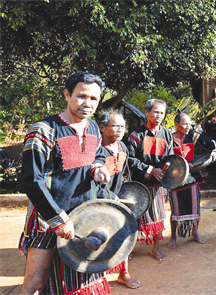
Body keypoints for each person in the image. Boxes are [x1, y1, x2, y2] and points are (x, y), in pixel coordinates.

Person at [19, 72, 112, 294]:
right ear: (67, 95)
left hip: (84, 215)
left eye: (94, 99)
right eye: (81, 96)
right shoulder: (43, 130)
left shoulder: (92, 128)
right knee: (36, 281)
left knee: (82, 281)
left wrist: (98, 167)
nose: (87, 104)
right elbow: (31, 180)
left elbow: (97, 154)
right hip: (47, 217)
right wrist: (57, 218)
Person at [97, 109, 140, 289]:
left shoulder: (122, 146)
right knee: (99, 238)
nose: (120, 130)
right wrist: (108, 196)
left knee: (122, 234)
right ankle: (98, 277)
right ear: (102, 127)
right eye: (115, 126)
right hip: (98, 202)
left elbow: (122, 173)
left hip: (118, 200)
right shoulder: (96, 149)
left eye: (123, 126)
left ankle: (124, 273)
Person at [126, 99, 173, 262]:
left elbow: (169, 158)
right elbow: (130, 159)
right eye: (156, 111)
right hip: (140, 184)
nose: (159, 115)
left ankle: (155, 248)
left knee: (159, 217)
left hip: (158, 184)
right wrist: (150, 169)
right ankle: (129, 248)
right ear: (147, 112)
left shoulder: (167, 134)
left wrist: (166, 170)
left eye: (162, 112)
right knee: (136, 217)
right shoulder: (136, 134)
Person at [166, 113, 216, 249]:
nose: (187, 127)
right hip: (175, 180)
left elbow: (210, 141)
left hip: (192, 178)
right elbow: (165, 159)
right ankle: (173, 238)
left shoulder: (194, 137)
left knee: (195, 207)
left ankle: (195, 232)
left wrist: (214, 151)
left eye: (189, 124)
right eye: (184, 124)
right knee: (175, 209)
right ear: (176, 125)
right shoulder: (169, 140)